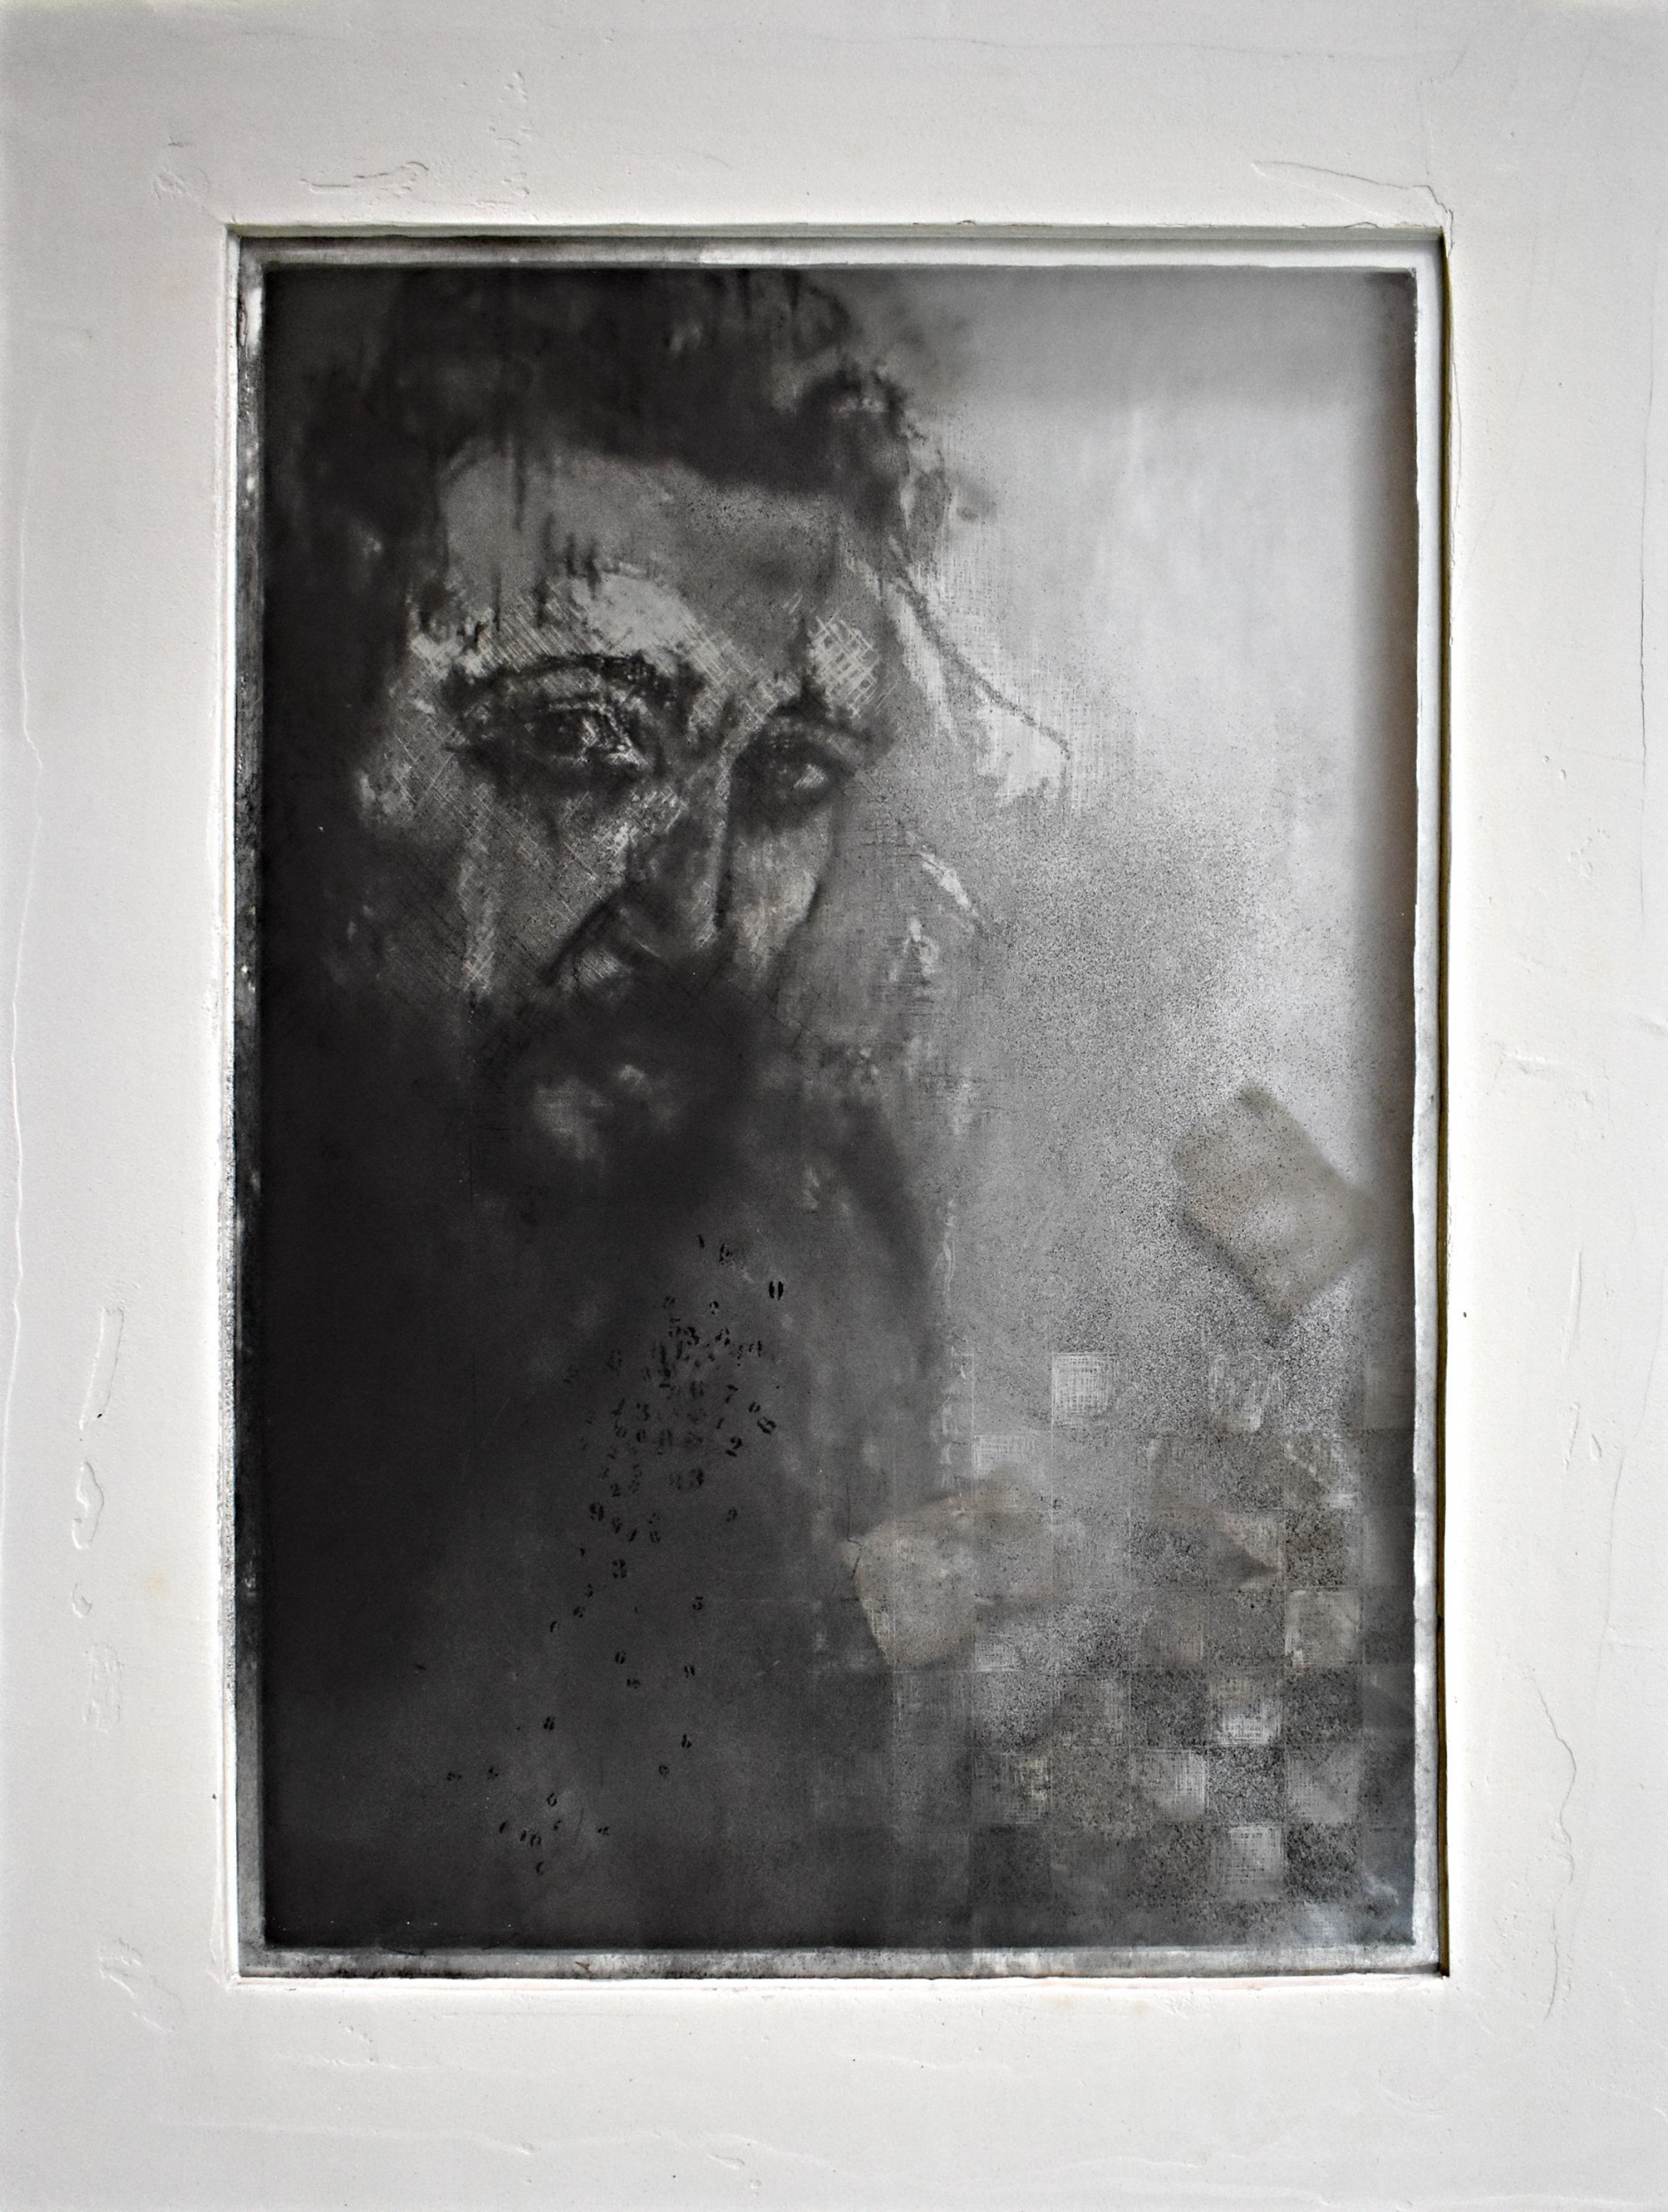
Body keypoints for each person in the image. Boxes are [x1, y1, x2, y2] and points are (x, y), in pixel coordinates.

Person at [253, 267, 978, 1951]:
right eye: (580, 743)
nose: (699, 913)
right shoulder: (161, 1259)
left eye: (786, 781)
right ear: (326, 745)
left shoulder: (809, 1241)